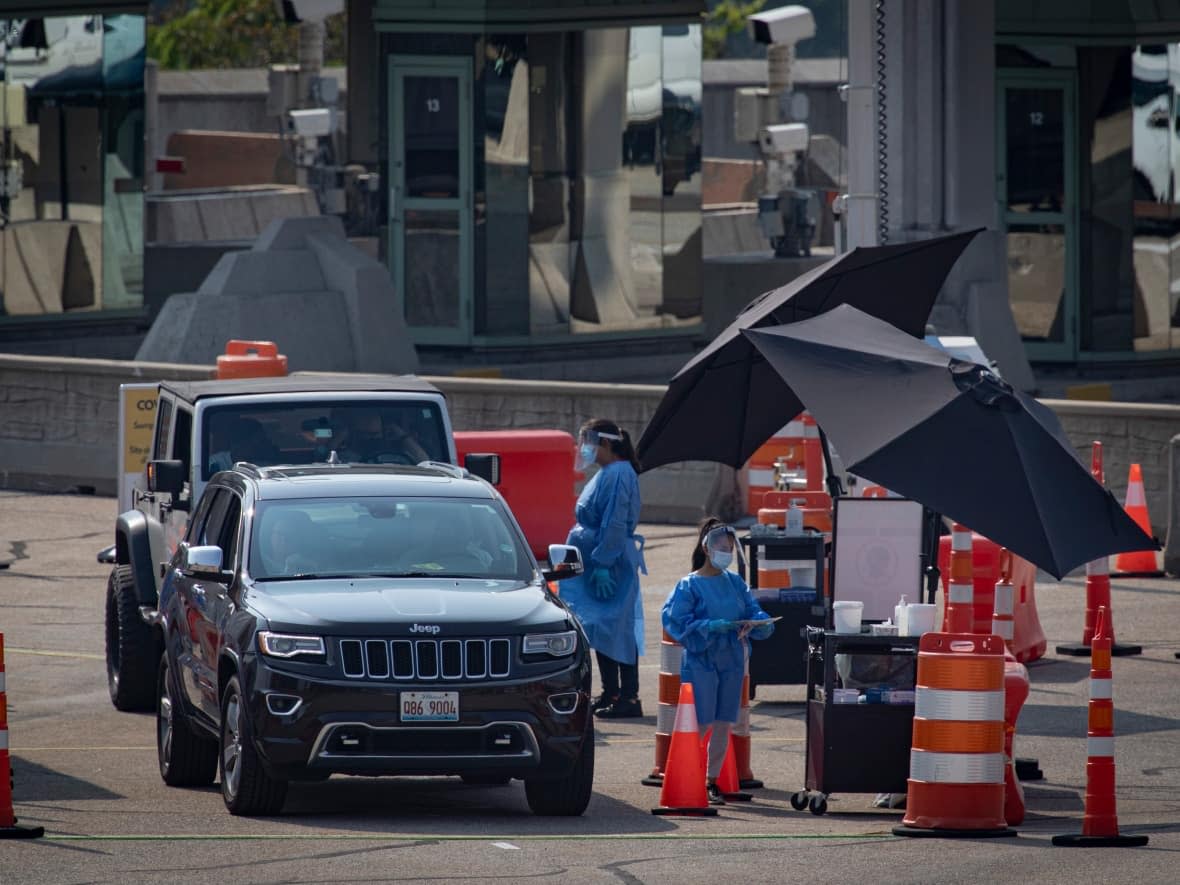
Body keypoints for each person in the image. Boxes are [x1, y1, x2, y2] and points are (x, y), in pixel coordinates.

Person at [662, 518, 775, 805]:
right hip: (702, 659)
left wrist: (760, 622)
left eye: (729, 547)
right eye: (720, 547)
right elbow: (677, 621)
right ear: (707, 548)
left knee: (724, 722)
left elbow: (753, 609)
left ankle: (712, 780)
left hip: (732, 658)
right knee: (700, 723)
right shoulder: (689, 585)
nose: (725, 552)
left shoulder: (735, 583)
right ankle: (690, 776)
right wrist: (710, 626)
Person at [562, 418, 647, 719]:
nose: (584, 448)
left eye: (589, 441)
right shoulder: (608, 473)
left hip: (609, 563)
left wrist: (603, 563)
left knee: (617, 627)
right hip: (596, 560)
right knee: (600, 627)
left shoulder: (620, 474)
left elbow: (615, 520)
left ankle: (629, 696)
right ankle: (611, 690)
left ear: (607, 444)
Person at [336, 408, 429, 464]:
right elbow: (325, 464)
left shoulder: (400, 456)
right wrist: (341, 436)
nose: (370, 439)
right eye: (364, 434)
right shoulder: (345, 458)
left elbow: (425, 461)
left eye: (374, 434)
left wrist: (402, 435)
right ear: (355, 435)